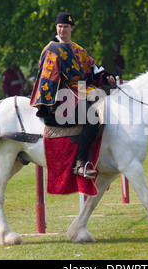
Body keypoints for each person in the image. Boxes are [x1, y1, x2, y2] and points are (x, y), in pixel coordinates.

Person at [30, 12, 115, 179]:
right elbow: (48, 79)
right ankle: (80, 164)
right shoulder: (51, 49)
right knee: (92, 119)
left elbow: (92, 69)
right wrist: (51, 105)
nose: (63, 29)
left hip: (82, 92)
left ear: (72, 28)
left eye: (66, 27)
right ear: (56, 28)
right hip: (60, 98)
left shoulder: (77, 49)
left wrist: (106, 77)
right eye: (60, 26)